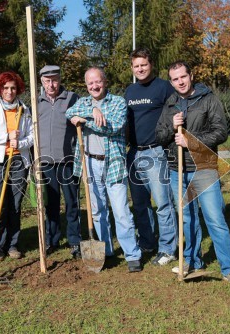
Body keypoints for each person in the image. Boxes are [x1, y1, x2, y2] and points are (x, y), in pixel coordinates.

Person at [156, 61, 230, 288]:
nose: (180, 82)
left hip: (204, 167)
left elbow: (221, 132)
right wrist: (171, 126)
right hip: (179, 170)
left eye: (183, 77)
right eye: (175, 79)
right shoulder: (170, 104)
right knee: (187, 219)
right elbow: (159, 136)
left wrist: (191, 141)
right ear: (171, 82)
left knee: (215, 219)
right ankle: (191, 261)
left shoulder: (208, 99)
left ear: (191, 75)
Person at [66, 67, 142, 272]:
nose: (94, 86)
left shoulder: (118, 102)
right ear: (86, 85)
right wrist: (92, 111)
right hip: (89, 163)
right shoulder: (83, 102)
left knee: (121, 212)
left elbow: (114, 125)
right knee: (98, 211)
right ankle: (106, 250)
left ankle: (132, 254)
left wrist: (85, 120)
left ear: (104, 81)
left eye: (97, 82)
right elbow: (69, 112)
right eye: (90, 83)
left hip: (114, 163)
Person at [125, 48, 178, 265]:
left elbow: (176, 112)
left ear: (151, 65)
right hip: (134, 153)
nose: (140, 69)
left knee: (163, 203)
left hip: (156, 152)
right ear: (132, 68)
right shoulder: (129, 91)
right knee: (139, 203)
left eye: (143, 65)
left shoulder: (163, 87)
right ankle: (147, 241)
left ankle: (168, 248)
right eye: (136, 66)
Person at [0, 71, 33, 260]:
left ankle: (12, 245)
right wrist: (6, 138)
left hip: (19, 161)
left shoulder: (24, 110)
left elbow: (32, 136)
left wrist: (21, 143)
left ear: (18, 89)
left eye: (13, 88)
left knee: (15, 205)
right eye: (6, 88)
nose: (10, 91)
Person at [37, 65, 81, 258]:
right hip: (46, 161)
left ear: (60, 79)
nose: (51, 84)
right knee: (50, 204)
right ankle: (51, 240)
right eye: (47, 81)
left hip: (67, 160)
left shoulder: (72, 99)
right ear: (41, 82)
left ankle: (75, 241)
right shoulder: (36, 102)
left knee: (71, 202)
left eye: (54, 79)